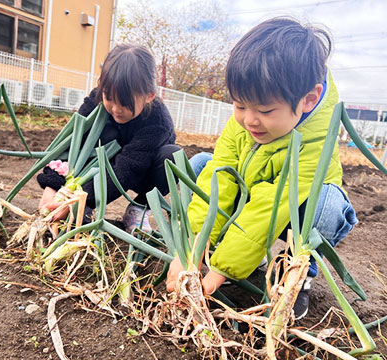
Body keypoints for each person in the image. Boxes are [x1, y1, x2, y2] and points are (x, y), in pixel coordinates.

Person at [166, 18, 358, 319]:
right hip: (250, 195)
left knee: (327, 204)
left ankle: (294, 273)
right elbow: (221, 176)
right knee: (202, 165)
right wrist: (191, 246)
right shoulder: (245, 118)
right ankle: (235, 254)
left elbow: (272, 205)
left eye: (265, 111)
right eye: (240, 105)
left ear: (308, 100)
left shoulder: (317, 139)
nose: (249, 120)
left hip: (295, 212)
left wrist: (218, 273)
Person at [37, 44, 179, 233]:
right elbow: (72, 141)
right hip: (102, 164)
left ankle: (138, 209)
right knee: (98, 131)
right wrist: (52, 186)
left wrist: (82, 198)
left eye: (125, 103)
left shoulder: (158, 122)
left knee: (174, 156)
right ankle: (80, 208)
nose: (116, 109)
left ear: (149, 96)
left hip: (143, 171)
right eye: (109, 98)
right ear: (101, 86)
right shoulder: (97, 100)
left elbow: (127, 169)